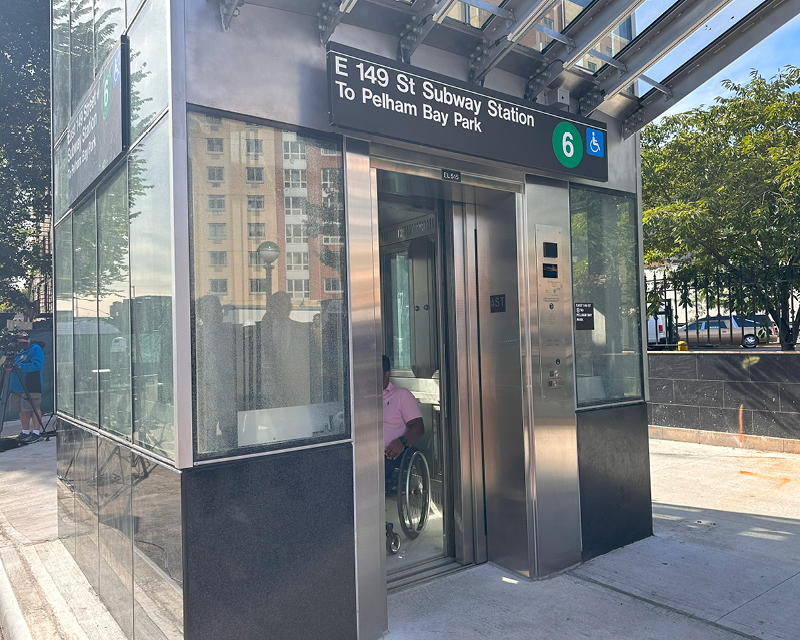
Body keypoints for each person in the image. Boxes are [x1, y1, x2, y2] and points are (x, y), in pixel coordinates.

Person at [382, 355, 424, 485]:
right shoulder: (362, 396)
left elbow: (418, 427)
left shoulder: (401, 395)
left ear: (387, 374)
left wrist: (402, 441)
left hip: (388, 453)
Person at [9, 332, 45, 443]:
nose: (20, 345)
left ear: (28, 339)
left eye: (22, 343)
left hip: (31, 385)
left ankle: (36, 432)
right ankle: (25, 432)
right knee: (21, 408)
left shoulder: (35, 349)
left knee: (34, 407)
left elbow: (37, 365)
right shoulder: (17, 351)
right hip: (17, 386)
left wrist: (20, 367)